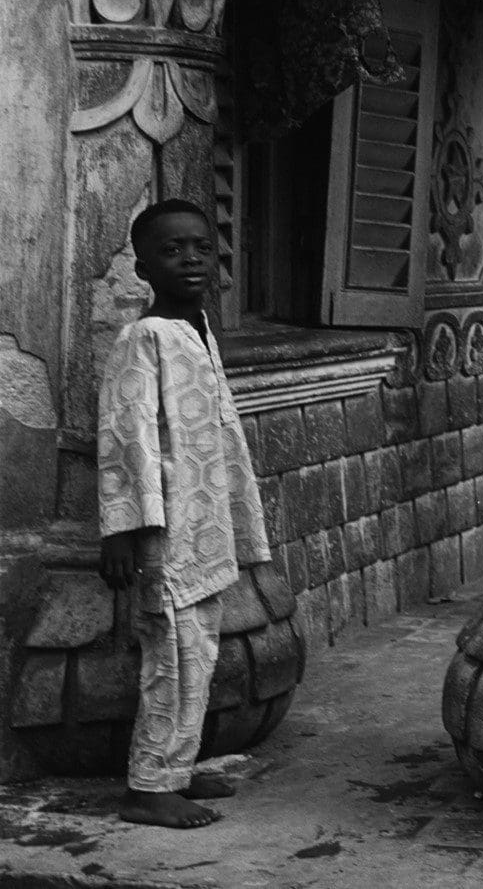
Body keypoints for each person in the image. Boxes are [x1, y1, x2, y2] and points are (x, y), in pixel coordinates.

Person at [98, 199, 270, 828]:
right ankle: (148, 786)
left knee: (197, 648)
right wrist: (121, 528)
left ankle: (175, 763)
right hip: (164, 526)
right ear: (144, 267)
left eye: (201, 246)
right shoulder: (143, 337)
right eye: (172, 250)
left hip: (206, 525)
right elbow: (126, 435)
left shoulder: (198, 329)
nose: (191, 258)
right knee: (170, 649)